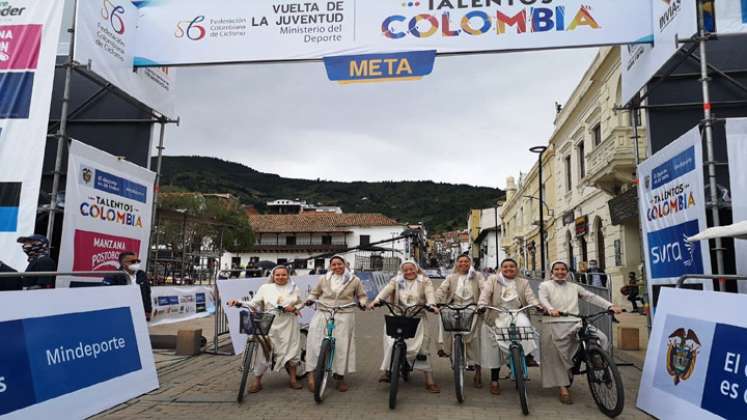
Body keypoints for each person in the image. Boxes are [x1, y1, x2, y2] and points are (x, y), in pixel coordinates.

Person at [538, 260, 621, 405]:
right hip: (554, 322)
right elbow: (543, 299)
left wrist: (610, 305)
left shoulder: (574, 287)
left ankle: (597, 359)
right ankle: (563, 387)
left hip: (575, 321)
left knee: (601, 337)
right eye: (556, 269)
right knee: (557, 355)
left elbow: (591, 297)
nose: (560, 272)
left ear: (567, 271)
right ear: (551, 272)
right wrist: (550, 309)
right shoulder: (545, 286)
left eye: (563, 269)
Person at [226, 265, 304, 392]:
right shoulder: (265, 288)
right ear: (273, 276)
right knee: (263, 352)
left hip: (289, 323)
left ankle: (293, 379)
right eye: (277, 275)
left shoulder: (294, 288)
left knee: (291, 351)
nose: (280, 277)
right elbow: (254, 303)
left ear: (288, 276)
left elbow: (300, 303)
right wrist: (238, 302)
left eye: (283, 274)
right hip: (269, 322)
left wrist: (294, 308)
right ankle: (257, 381)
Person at [368, 260, 440, 393]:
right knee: (390, 342)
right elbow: (385, 291)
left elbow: (430, 294)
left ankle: (429, 380)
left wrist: (431, 305)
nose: (409, 272)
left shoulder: (425, 281)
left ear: (416, 269)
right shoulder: (396, 280)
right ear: (402, 271)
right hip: (398, 315)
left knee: (423, 347)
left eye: (411, 269)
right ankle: (388, 370)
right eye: (405, 270)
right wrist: (376, 301)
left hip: (417, 316)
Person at [304, 255, 368, 393]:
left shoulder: (354, 280)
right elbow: (315, 293)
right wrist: (310, 299)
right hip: (323, 312)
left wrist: (362, 303)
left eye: (340, 264)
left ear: (345, 264)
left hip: (344, 315)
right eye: (334, 265)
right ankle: (311, 374)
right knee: (314, 342)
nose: (337, 267)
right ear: (330, 266)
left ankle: (339, 377)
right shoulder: (323, 279)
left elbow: (362, 295)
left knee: (341, 346)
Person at [478, 258, 540, 395]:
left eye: (512, 266)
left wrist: (537, 305)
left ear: (516, 268)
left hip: (517, 314)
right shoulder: (493, 280)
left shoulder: (523, 282)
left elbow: (530, 297)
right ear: (501, 268)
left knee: (525, 326)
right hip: (497, 315)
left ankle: (527, 354)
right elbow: (485, 294)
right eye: (505, 267)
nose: (508, 269)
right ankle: (494, 380)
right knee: (494, 349)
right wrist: (482, 305)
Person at [435, 254, 485, 388]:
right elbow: (441, 290)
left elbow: (484, 289)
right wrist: (435, 302)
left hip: (472, 307)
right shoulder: (451, 277)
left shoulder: (477, 276)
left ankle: (478, 371)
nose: (464, 264)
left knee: (475, 339)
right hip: (454, 305)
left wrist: (482, 304)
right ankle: (445, 347)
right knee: (443, 314)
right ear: (457, 263)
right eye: (461, 262)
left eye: (466, 261)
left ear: (471, 263)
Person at [103, 252, 153, 321]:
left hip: (140, 312)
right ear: (123, 263)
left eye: (138, 261)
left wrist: (148, 310)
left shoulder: (141, 274)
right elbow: (107, 297)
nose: (136, 263)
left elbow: (147, 293)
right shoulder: (113, 276)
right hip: (121, 313)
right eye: (133, 261)